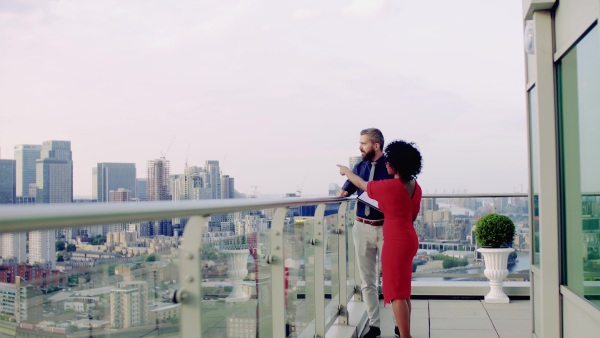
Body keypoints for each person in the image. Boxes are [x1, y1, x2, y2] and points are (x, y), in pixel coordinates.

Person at [337, 140, 422, 338]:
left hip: (395, 242)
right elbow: (412, 215)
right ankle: (403, 333)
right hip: (409, 238)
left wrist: (346, 172)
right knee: (403, 289)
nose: (386, 163)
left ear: (395, 165)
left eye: (389, 161)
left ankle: (405, 336)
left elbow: (362, 185)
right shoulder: (415, 186)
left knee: (396, 293)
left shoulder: (390, 187)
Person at [337, 128, 393, 338]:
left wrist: (348, 173)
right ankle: (375, 326)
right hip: (362, 226)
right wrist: (343, 191)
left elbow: (371, 188)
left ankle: (398, 325)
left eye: (364, 143)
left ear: (376, 146)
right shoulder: (359, 166)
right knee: (367, 281)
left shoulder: (390, 168)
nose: (359, 147)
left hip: (386, 228)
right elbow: (347, 190)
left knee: (391, 280)